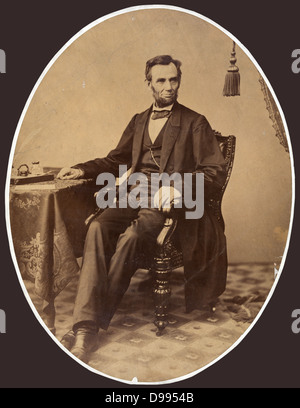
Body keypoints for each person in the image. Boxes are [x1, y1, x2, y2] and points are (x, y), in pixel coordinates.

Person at [57, 55, 227, 363]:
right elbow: (115, 160)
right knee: (96, 226)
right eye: (161, 80)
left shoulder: (194, 122)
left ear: (179, 80)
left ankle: (86, 328)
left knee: (133, 236)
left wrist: (178, 187)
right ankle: (88, 324)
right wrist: (81, 170)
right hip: (131, 195)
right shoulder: (139, 120)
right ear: (148, 83)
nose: (168, 87)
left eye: (173, 79)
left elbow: (215, 171)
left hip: (166, 205)